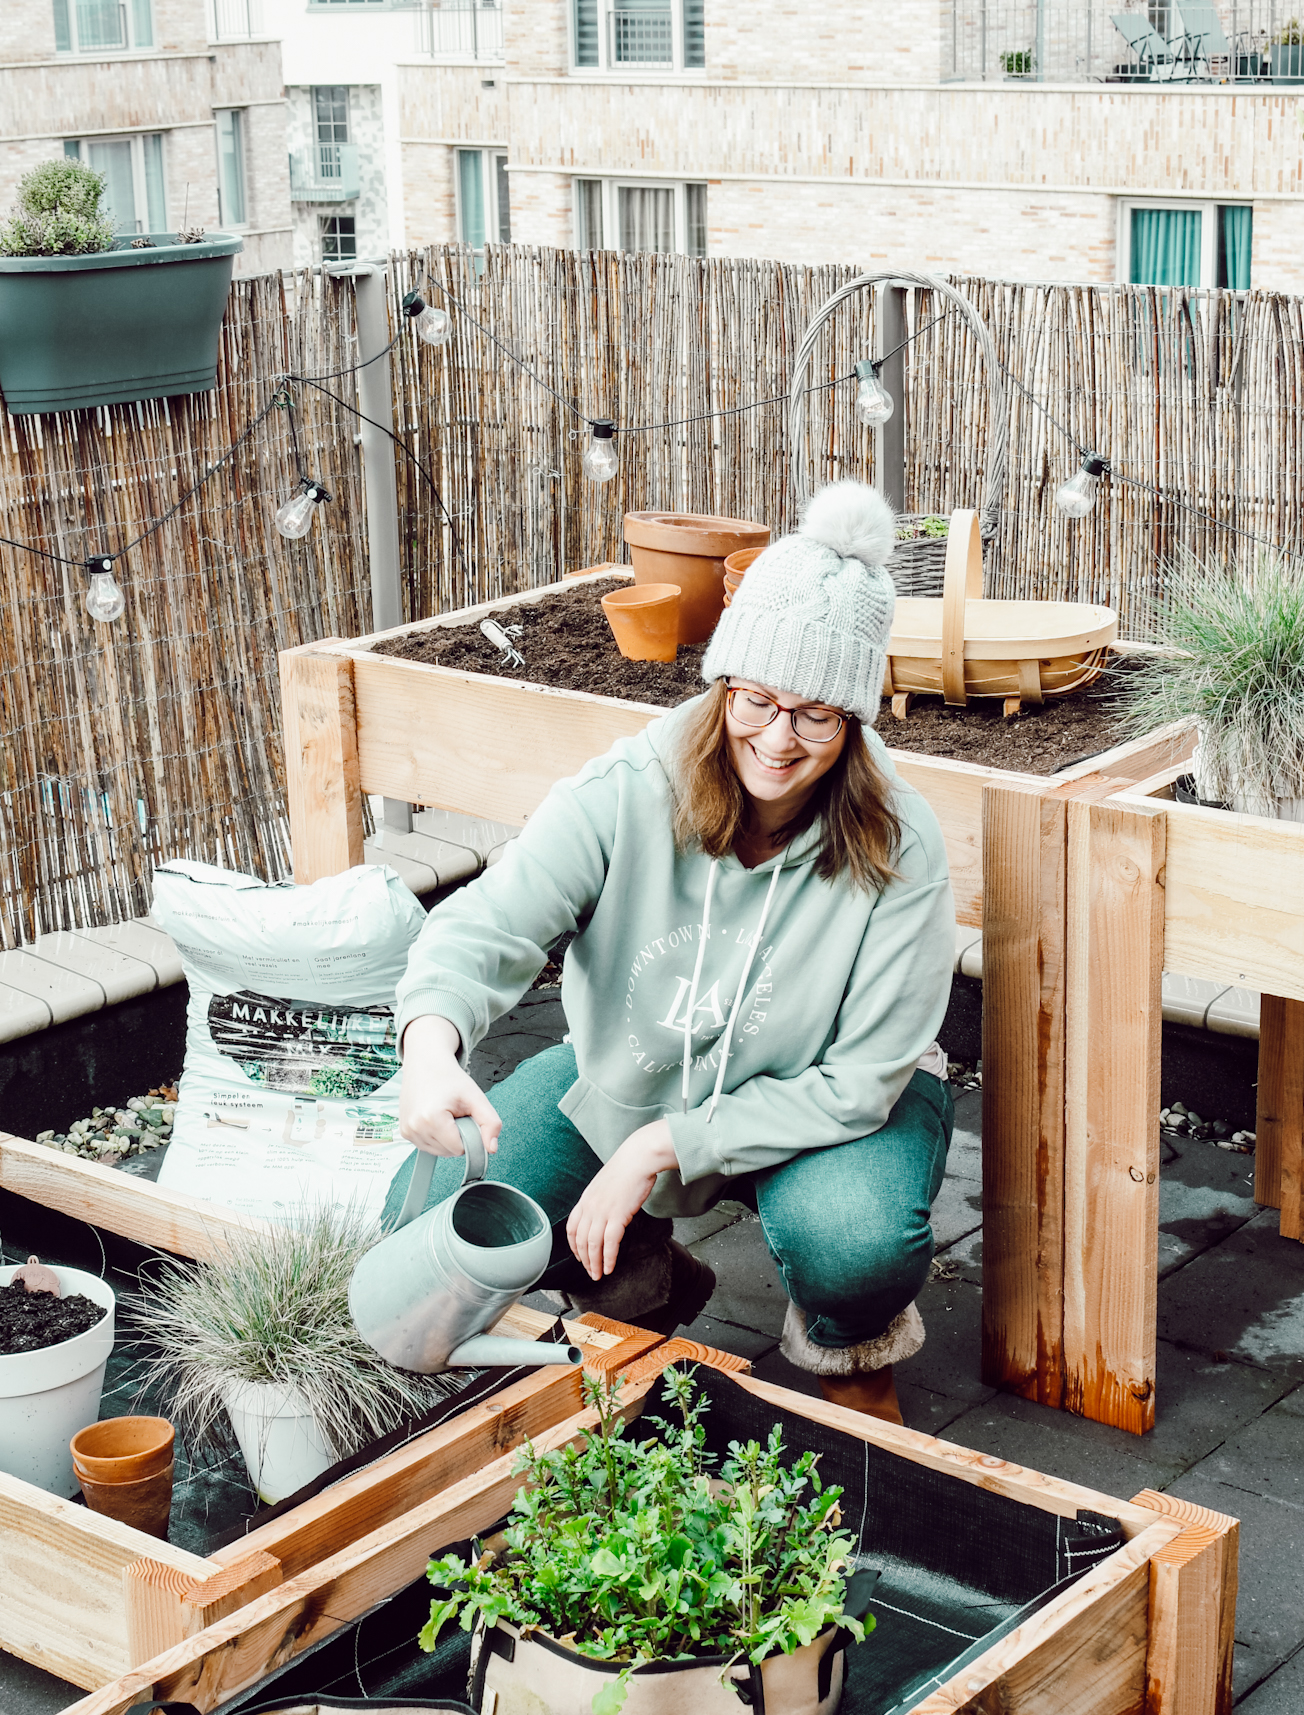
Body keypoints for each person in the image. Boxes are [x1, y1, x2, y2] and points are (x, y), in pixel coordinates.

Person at [392, 480, 956, 1424]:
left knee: (852, 1242)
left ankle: (852, 1362)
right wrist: (428, 1046)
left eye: (817, 714)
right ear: (724, 681)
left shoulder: (900, 842)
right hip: (653, 1063)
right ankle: (642, 1291)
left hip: (828, 1101)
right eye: (759, 698)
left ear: (854, 718)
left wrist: (662, 1146)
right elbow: (488, 924)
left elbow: (862, 1081)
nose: (778, 738)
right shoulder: (628, 787)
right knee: (425, 1233)